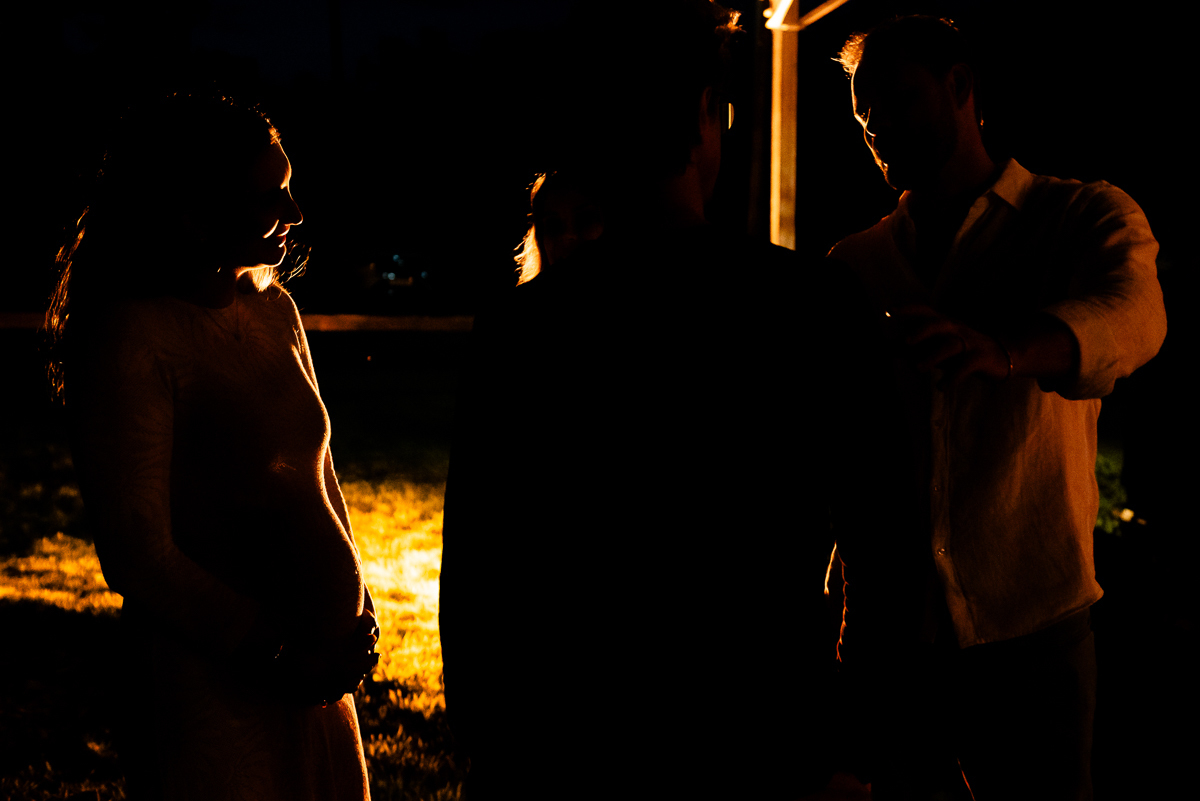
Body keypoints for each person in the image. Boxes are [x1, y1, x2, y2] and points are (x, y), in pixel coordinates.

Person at [439, 2, 836, 798]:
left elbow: (479, 563)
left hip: (567, 739)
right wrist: (853, 737)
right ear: (703, 118)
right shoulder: (806, 306)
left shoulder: (522, 328)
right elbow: (882, 542)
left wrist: (488, 736)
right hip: (754, 736)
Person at [824, 16, 1166, 800]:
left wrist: (1007, 350)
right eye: (864, 117)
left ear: (960, 86)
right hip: (892, 638)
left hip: (1033, 624)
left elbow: (1136, 315)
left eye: (897, 102)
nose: (879, 130)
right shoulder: (856, 264)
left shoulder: (1077, 218)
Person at [46, 93, 379, 801]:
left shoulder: (275, 309)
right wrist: (277, 653)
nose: (294, 213)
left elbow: (320, 477)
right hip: (218, 692)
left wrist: (359, 612)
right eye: (270, 195)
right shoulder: (132, 336)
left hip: (320, 684)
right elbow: (139, 552)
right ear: (193, 213)